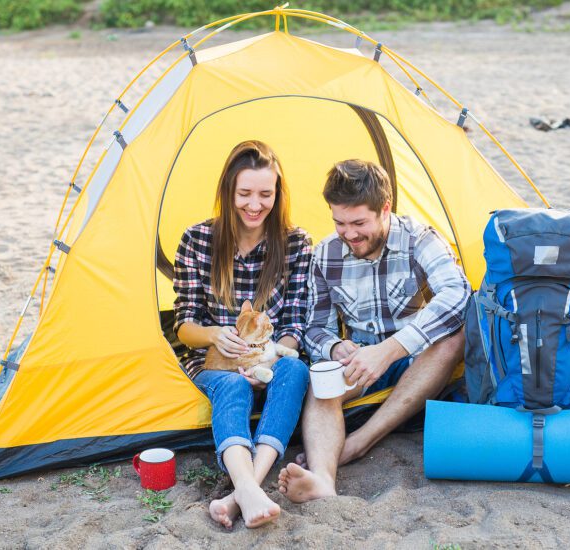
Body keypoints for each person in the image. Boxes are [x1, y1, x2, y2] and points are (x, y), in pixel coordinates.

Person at [278, 159, 470, 502]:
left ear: (385, 208)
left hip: (415, 356)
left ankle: (359, 443)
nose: (349, 233)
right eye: (339, 222)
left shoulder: (419, 239)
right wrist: (336, 348)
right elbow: (314, 328)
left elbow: (458, 294)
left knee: (456, 336)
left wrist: (391, 349)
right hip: (359, 362)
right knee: (321, 378)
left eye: (358, 222)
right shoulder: (325, 255)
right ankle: (322, 479)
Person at [173, 141, 311, 528]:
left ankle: (244, 489)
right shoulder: (198, 240)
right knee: (233, 386)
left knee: (296, 371)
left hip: (269, 360)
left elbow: (295, 323)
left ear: (277, 194)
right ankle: (248, 489)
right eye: (245, 194)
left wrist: (269, 357)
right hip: (213, 362)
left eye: (265, 194)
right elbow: (184, 325)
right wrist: (215, 334)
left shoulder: (295, 242)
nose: (255, 205)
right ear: (229, 193)